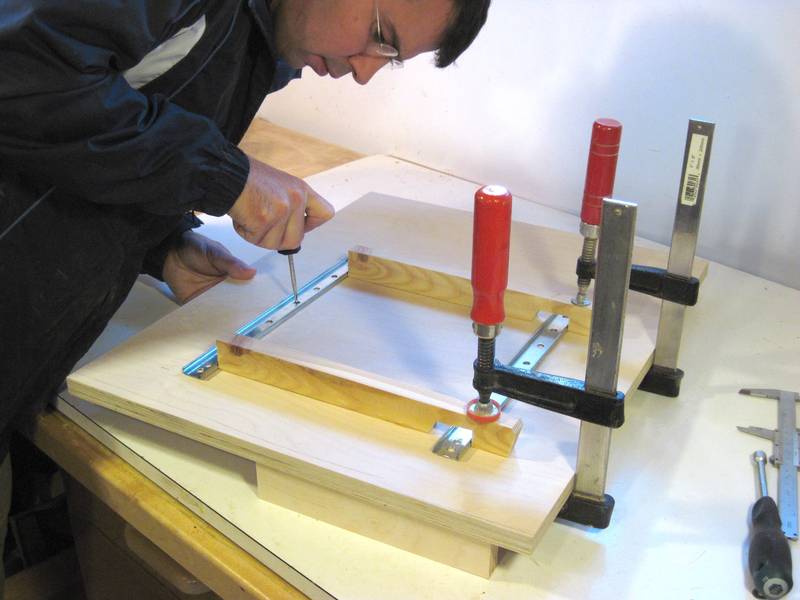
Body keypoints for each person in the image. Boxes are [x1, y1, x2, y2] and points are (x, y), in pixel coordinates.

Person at [0, 0, 491, 592]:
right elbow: (24, 75)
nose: (364, 71)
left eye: (390, 60)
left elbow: (98, 128)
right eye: (380, 35)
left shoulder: (259, 42)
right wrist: (226, 175)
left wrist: (161, 244)